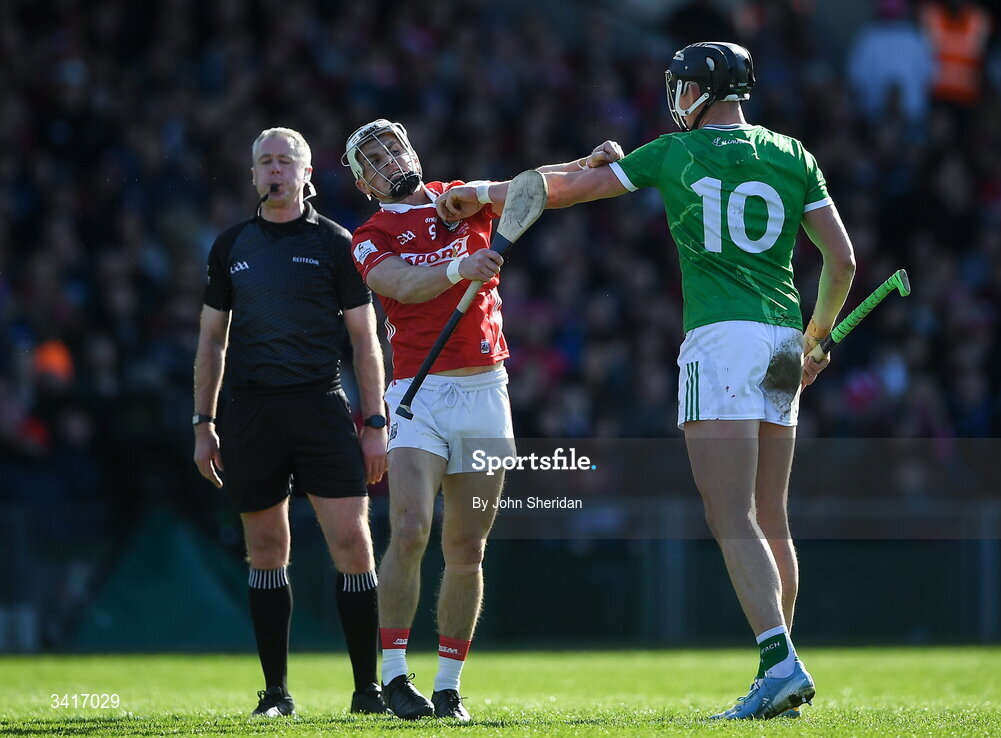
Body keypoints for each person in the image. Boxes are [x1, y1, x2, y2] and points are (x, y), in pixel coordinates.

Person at [437, 42, 856, 720]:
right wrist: (816, 337)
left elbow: (565, 190)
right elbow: (841, 260)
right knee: (771, 516)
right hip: (782, 337)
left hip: (720, 341)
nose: (678, 98)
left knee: (731, 516)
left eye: (686, 86)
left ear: (710, 87)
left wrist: (480, 193)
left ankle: (779, 662)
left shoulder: (672, 152)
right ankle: (784, 664)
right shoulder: (793, 153)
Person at [343, 118, 617, 722]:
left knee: (467, 546)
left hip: (487, 392)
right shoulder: (370, 233)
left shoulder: (459, 198)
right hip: (418, 392)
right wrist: (456, 272)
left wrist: (587, 162)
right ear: (365, 182)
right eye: (375, 159)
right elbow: (398, 284)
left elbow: (531, 187)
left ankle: (448, 686)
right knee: (411, 530)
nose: (390, 160)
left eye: (394, 146)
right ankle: (392, 676)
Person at [193, 127, 389, 718]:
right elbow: (210, 342)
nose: (274, 171)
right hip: (251, 412)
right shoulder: (231, 246)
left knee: (353, 544)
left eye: (286, 161)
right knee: (266, 547)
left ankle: (368, 691)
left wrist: (374, 420)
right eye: (265, 162)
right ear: (253, 175)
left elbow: (366, 340)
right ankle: (276, 693)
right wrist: (203, 422)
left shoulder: (336, 243)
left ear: (307, 174)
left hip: (322, 406)